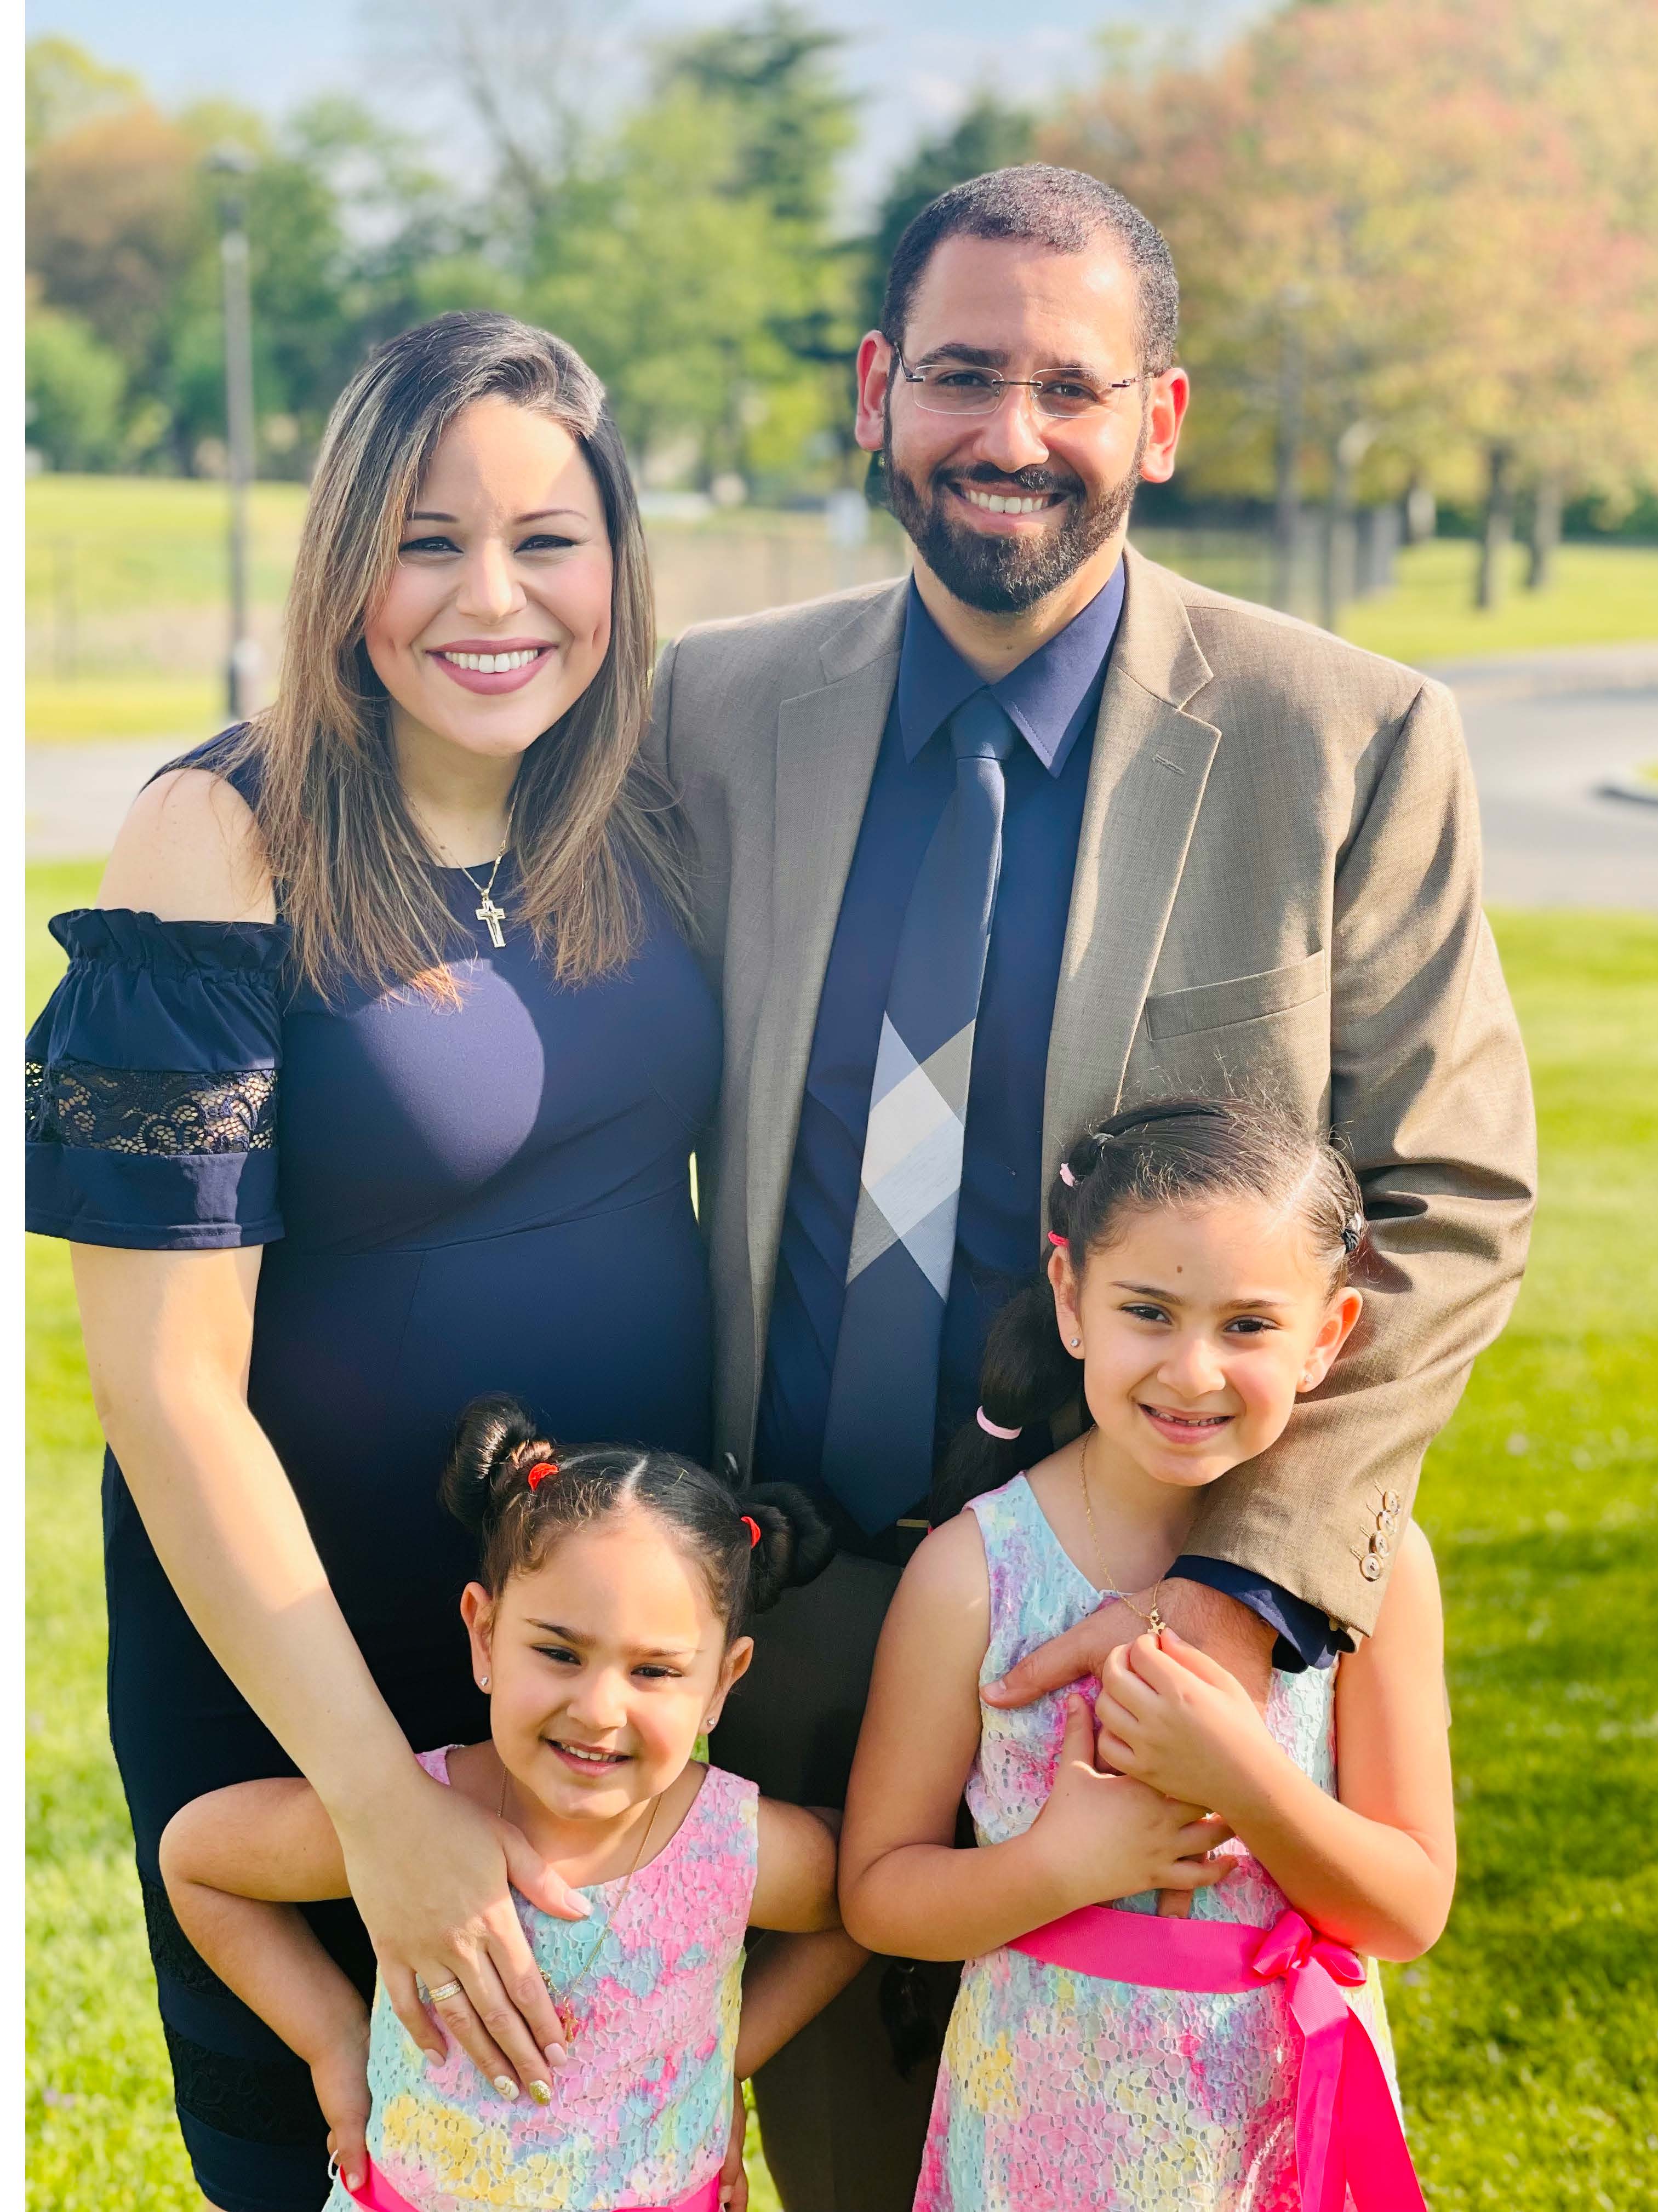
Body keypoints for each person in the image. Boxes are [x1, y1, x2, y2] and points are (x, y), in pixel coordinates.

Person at [645, 164, 1531, 2204]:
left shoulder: (1350, 739)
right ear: (878, 391)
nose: (1010, 433)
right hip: (803, 1603)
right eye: (961, 374)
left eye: (1071, 383)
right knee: (864, 2168)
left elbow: (1461, 1190)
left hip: (1156, 1635)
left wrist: (1239, 1598)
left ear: (1160, 416)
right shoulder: (712, 709)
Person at [25, 313, 726, 2211]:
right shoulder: (216, 838)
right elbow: (165, 1386)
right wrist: (381, 1802)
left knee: (621, 2146)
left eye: (546, 539)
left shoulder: (644, 802)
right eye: (426, 538)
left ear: (618, 566)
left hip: (609, 1659)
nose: (490, 597)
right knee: (347, 2156)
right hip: (313, 1662)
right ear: (344, 560)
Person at [839, 1099, 1454, 2211]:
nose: (1192, 1370)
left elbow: (1408, 1910)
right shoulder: (976, 1573)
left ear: (1328, 1337)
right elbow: (879, 1894)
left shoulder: (1375, 1571)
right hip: (1041, 2131)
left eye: (1250, 1327)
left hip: (1278, 2135)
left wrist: (1245, 1778)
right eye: (1151, 1312)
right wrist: (1067, 1866)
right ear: (1071, 1299)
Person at [159, 1396, 865, 2212]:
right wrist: (332, 2040)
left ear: (723, 1682)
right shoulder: (411, 1818)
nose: (600, 1708)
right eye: (560, 1651)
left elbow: (865, 1897)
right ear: (484, 1632)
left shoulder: (730, 1846)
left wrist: (725, 2061)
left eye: (655, 1671)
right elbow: (199, 1862)